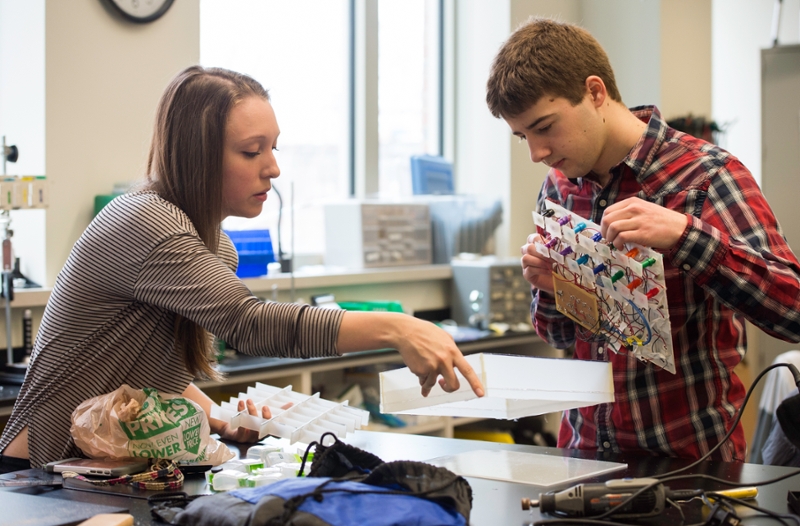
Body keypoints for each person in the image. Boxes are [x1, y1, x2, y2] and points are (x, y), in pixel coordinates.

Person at [0, 66, 484, 472]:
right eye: (253, 151)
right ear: (199, 156)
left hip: (109, 470)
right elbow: (250, 323)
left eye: (274, 148)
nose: (272, 168)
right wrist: (397, 327)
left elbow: (152, 373)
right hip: (40, 473)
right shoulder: (145, 220)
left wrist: (218, 418)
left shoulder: (218, 249)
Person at [485, 18, 800, 461]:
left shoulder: (706, 175)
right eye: (523, 137)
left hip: (689, 465)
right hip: (581, 458)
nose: (537, 153)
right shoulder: (559, 187)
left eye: (544, 127)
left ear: (595, 93)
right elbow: (558, 336)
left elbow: (793, 310)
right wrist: (553, 289)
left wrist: (686, 236)